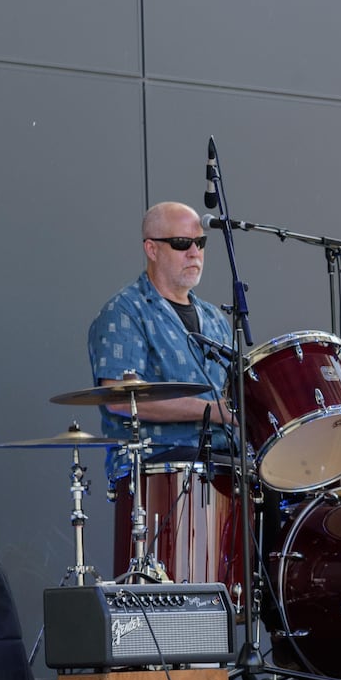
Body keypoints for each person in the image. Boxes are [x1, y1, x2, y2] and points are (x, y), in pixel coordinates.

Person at [87, 201, 235, 477]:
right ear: (151, 249)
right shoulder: (125, 312)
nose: (195, 253)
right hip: (159, 466)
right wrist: (212, 411)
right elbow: (119, 399)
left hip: (226, 459)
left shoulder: (215, 318)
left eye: (200, 243)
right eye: (181, 243)